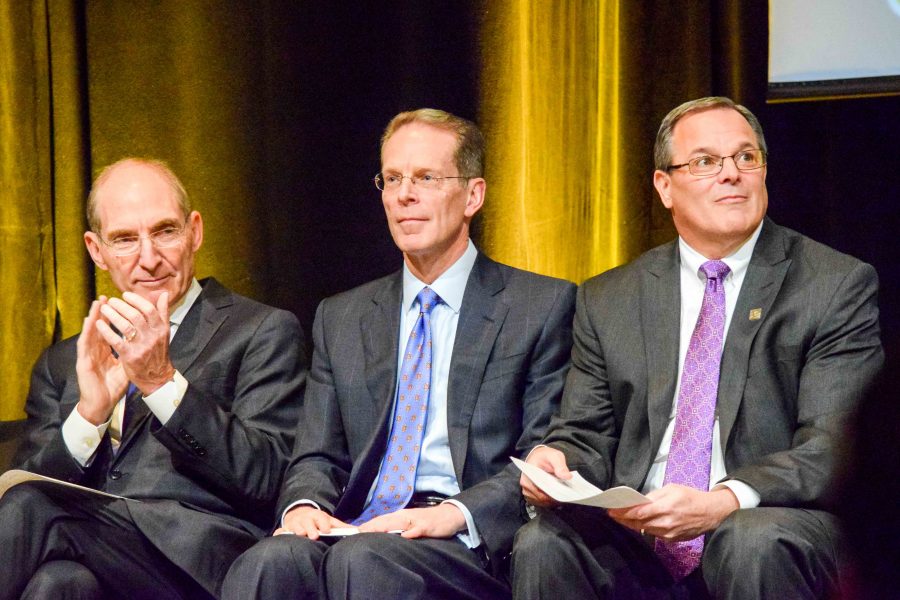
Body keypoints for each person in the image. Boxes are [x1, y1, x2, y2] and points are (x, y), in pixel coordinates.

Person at [512, 96, 883, 599]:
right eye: (706, 162)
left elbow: (834, 445)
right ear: (665, 186)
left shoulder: (833, 284)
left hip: (770, 524)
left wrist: (725, 499)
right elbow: (586, 433)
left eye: (746, 157)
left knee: (748, 538)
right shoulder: (610, 298)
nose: (732, 174)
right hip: (642, 528)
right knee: (544, 542)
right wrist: (556, 460)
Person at [222, 109, 576, 600]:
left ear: (473, 195)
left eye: (426, 178)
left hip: (465, 540)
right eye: (392, 179)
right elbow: (317, 454)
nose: (404, 194)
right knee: (268, 562)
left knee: (365, 559)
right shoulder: (342, 316)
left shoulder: (540, 305)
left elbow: (544, 453)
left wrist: (452, 514)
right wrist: (302, 506)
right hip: (358, 525)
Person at [1, 158, 306, 600]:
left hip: (201, 559)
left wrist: (161, 382)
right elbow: (26, 490)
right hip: (95, 553)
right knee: (59, 583)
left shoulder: (261, 330)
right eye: (125, 239)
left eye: (165, 231)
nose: (149, 258)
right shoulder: (65, 362)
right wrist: (90, 415)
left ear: (195, 231)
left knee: (34, 507)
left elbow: (266, 477)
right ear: (95, 249)